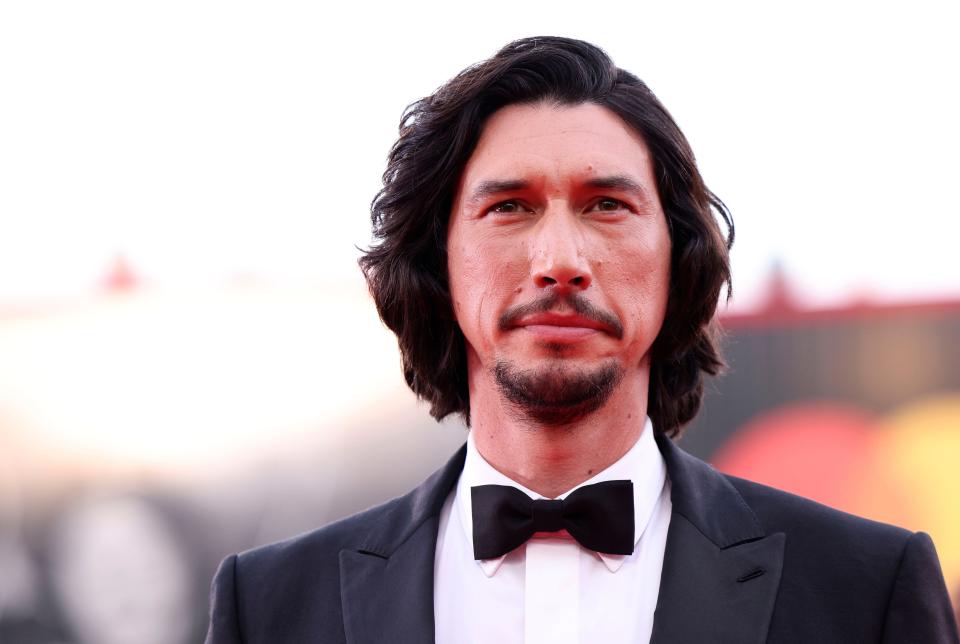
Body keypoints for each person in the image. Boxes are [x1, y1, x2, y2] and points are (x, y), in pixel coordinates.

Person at [205, 36, 959, 643]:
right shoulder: (269, 606)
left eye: (606, 204)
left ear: (677, 260)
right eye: (508, 207)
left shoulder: (866, 587)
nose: (560, 261)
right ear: (438, 261)